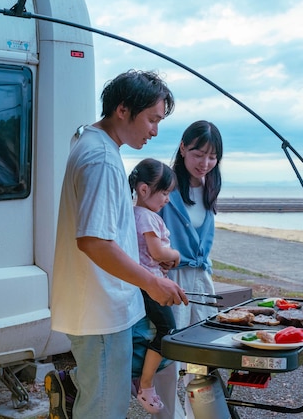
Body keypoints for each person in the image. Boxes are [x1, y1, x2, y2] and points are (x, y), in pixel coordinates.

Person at [46, 69, 188, 419]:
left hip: (97, 308)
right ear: (123, 110)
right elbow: (93, 241)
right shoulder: (102, 158)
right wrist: (152, 282)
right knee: (104, 410)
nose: (155, 130)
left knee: (99, 397)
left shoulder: (90, 142)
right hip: (100, 311)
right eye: (152, 119)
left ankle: (71, 388)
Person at [158, 120, 223, 418]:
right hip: (171, 278)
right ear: (183, 148)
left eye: (212, 157)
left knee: (202, 352)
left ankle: (200, 412)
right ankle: (168, 414)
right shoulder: (165, 184)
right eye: (199, 154)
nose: (205, 163)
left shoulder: (211, 185)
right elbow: (143, 227)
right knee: (170, 352)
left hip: (201, 280)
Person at [128, 158, 180, 414]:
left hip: (141, 283)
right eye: (165, 193)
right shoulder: (147, 216)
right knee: (167, 331)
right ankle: (145, 384)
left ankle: (141, 379)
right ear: (144, 189)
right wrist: (175, 255)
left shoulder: (132, 213)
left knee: (150, 332)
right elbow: (157, 252)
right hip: (149, 287)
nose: (167, 200)